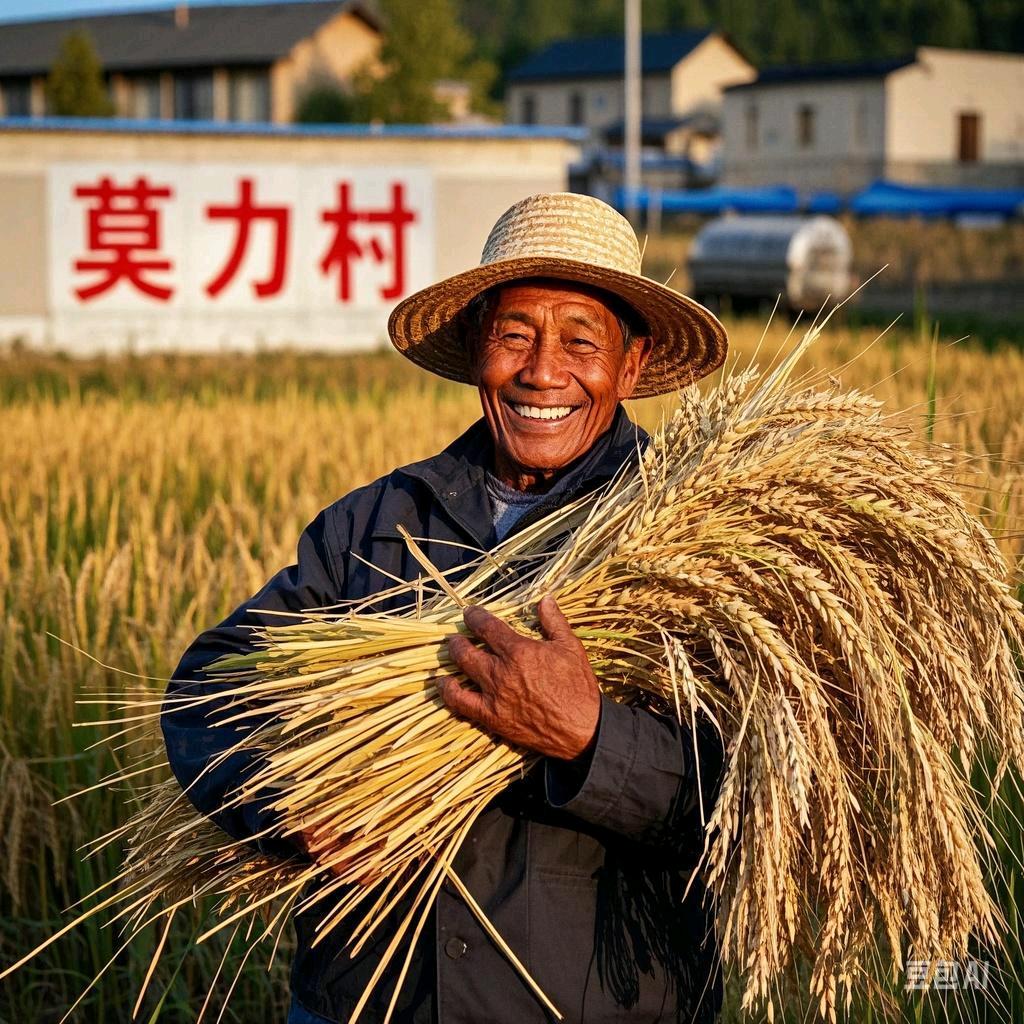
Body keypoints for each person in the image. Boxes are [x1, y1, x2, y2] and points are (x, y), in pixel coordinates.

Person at [162, 192, 730, 1024]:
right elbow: (210, 690)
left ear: (632, 365)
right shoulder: (377, 524)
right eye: (514, 336)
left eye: (581, 340)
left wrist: (589, 737)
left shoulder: (705, 546)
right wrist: (288, 802)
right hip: (366, 1002)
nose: (543, 371)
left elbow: (761, 795)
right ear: (474, 350)